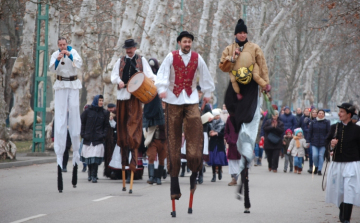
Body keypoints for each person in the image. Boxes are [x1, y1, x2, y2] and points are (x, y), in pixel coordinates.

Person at [155, 30, 215, 216]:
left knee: (196, 133)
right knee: (173, 140)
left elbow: (205, 77)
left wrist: (207, 94)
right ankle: (174, 181)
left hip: (190, 101)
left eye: (190, 42)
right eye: (185, 42)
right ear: (179, 43)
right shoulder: (171, 57)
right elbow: (162, 75)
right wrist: (162, 90)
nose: (187, 44)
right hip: (173, 101)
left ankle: (195, 168)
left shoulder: (198, 58)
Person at [219, 18, 270, 214]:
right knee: (235, 124)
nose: (242, 35)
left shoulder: (255, 47)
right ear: (235, 34)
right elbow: (222, 67)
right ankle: (240, 161)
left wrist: (265, 85)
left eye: (244, 32)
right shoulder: (229, 48)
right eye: (239, 33)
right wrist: (232, 58)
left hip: (251, 91)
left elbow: (262, 66)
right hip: (235, 90)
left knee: (248, 124)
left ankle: (246, 160)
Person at [110, 39, 155, 192]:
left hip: (135, 100)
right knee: (122, 132)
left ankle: (133, 167)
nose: (129, 51)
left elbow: (151, 76)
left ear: (135, 48)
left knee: (134, 133)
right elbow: (113, 76)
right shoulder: (120, 61)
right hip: (122, 99)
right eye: (127, 49)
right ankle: (123, 165)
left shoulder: (142, 60)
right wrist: (118, 81)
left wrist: (147, 84)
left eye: (131, 48)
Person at [49, 37, 83, 192]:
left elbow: (79, 64)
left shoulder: (73, 52)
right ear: (58, 45)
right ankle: (59, 157)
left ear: (67, 44)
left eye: (64, 45)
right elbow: (51, 69)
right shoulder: (55, 54)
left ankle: (75, 158)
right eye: (60, 45)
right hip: (61, 85)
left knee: (74, 112)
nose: (62, 47)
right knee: (61, 118)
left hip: (73, 85)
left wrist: (68, 55)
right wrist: (57, 60)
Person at [326, 103, 360, 223]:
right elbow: (327, 143)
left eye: (342, 112)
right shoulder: (335, 127)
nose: (339, 114)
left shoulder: (357, 130)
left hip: (351, 164)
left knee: (349, 190)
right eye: (339, 111)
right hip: (338, 163)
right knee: (339, 190)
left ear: (349, 114)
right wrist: (331, 144)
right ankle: (342, 210)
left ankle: (346, 218)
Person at [143, 58, 167, 185]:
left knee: (162, 159)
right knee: (151, 157)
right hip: (152, 136)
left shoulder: (161, 84)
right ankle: (151, 177)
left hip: (163, 137)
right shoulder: (147, 85)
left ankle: (158, 177)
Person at [80, 95, 110, 183]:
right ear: (96, 101)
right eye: (99, 100)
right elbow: (83, 123)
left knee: (96, 158)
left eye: (102, 100)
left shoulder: (104, 113)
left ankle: (94, 175)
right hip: (88, 138)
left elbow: (106, 126)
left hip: (98, 138)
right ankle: (89, 173)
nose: (101, 102)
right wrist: (83, 134)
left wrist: (103, 135)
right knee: (89, 158)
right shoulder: (87, 111)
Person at [306, 109, 330, 175]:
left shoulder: (327, 122)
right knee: (315, 155)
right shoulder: (313, 122)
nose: (321, 115)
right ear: (317, 114)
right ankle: (316, 166)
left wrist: (327, 139)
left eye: (322, 113)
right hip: (314, 142)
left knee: (320, 155)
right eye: (319, 113)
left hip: (323, 142)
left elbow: (329, 132)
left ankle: (319, 170)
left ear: (324, 115)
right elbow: (310, 132)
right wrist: (308, 140)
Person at [208, 109, 228, 182]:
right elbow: (207, 132)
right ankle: (213, 175)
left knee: (219, 159)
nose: (218, 117)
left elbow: (224, 134)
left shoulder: (223, 123)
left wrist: (217, 133)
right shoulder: (210, 123)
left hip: (219, 143)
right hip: (212, 143)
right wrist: (210, 133)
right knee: (213, 160)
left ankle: (219, 170)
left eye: (219, 115)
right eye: (216, 115)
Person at [197, 85, 212, 184]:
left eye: (200, 93)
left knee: (201, 154)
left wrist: (210, 118)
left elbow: (210, 117)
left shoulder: (206, 105)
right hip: (193, 132)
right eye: (197, 92)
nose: (198, 94)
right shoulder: (191, 103)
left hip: (203, 131)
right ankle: (195, 173)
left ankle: (200, 174)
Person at [224, 115, 240, 186]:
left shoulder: (243, 117)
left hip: (241, 143)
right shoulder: (229, 118)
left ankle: (243, 178)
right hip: (232, 144)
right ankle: (234, 178)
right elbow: (226, 131)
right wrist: (229, 140)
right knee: (232, 161)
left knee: (241, 162)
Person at [103, 103, 117, 179]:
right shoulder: (105, 115)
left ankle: (115, 172)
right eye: (109, 108)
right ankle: (109, 172)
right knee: (108, 157)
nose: (111, 110)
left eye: (112, 108)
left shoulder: (118, 115)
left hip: (116, 139)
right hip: (108, 140)